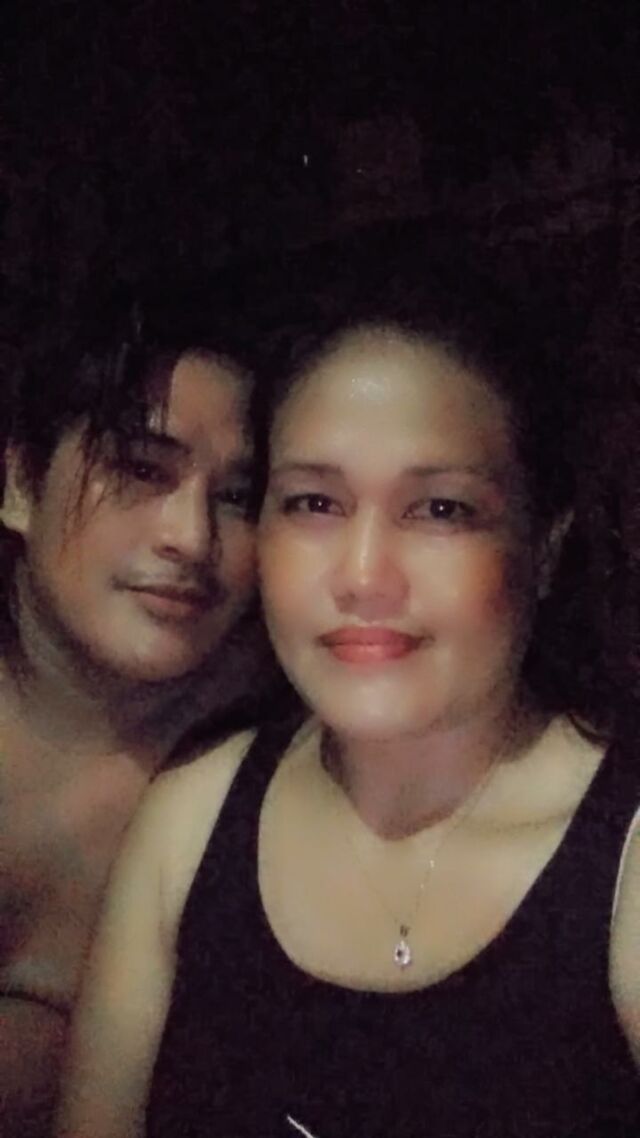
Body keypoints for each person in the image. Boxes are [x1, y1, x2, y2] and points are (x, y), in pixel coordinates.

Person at [57, 232, 640, 1138]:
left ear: (543, 548)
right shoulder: (193, 816)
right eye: (314, 503)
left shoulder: (624, 861)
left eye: (441, 509)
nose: (364, 575)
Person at [0, 281, 269, 1137]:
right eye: (140, 468)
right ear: (19, 483)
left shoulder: (287, 756)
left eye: (237, 496)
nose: (190, 537)